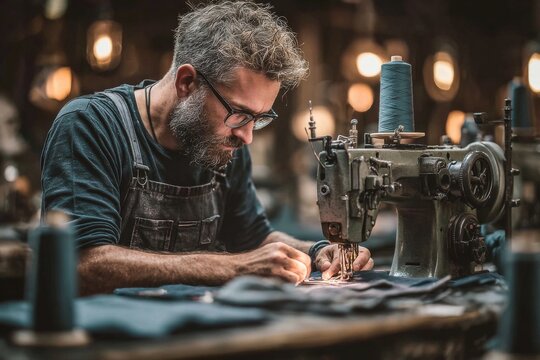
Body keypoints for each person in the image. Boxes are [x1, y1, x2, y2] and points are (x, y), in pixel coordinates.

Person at [41, 1, 373, 295]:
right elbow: (81, 264)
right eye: (239, 114)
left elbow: (253, 238)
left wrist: (315, 251)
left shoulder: (224, 145)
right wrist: (231, 268)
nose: (247, 137)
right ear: (187, 83)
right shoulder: (90, 125)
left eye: (258, 119)